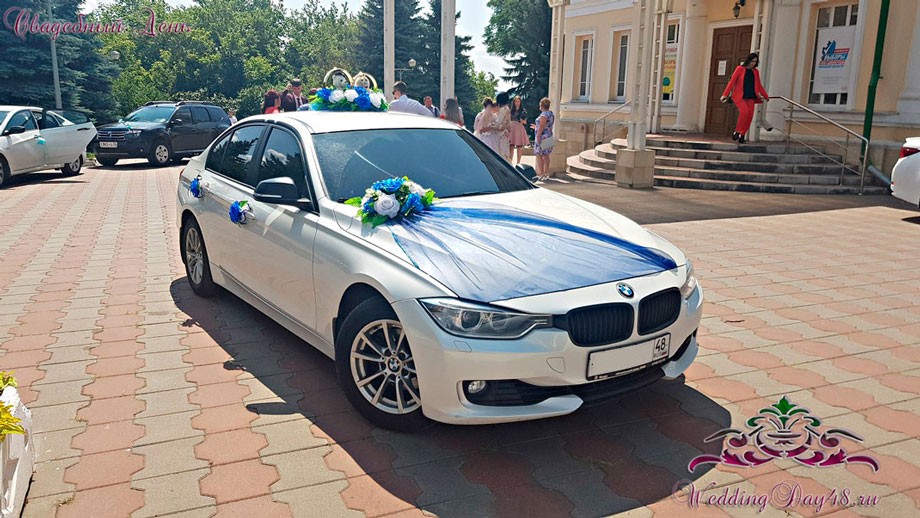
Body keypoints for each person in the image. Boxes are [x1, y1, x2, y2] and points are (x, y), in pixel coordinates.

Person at [720, 52, 769, 144]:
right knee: (744, 112)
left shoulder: (755, 72)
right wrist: (725, 94)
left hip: (750, 96)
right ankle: (737, 131)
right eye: (752, 61)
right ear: (748, 60)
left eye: (755, 62)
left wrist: (765, 95)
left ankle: (742, 135)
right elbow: (732, 81)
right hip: (739, 96)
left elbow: (758, 85)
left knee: (750, 115)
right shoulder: (740, 69)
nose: (753, 63)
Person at [533, 97, 555, 181]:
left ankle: (541, 173)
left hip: (542, 136)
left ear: (541, 105)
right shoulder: (551, 114)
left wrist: (538, 135)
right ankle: (546, 173)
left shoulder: (544, 114)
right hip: (548, 135)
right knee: (546, 155)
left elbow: (542, 125)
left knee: (539, 154)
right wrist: (536, 127)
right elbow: (547, 125)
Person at [508, 96, 528, 165]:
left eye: (518, 101)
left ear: (520, 102)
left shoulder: (523, 111)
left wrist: (522, 120)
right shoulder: (511, 111)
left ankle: (518, 163)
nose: (517, 103)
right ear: (513, 102)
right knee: (511, 146)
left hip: (519, 128)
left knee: (519, 146)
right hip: (512, 128)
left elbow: (525, 122)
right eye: (516, 101)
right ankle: (510, 162)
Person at [493, 92, 512, 159]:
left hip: (501, 133)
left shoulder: (503, 109)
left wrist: (492, 124)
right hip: (504, 132)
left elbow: (499, 121)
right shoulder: (507, 108)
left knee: (501, 152)